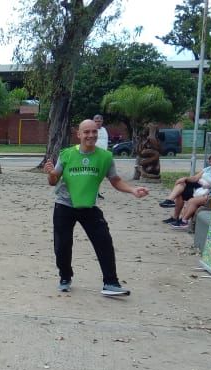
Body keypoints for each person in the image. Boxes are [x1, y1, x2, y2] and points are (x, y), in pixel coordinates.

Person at [44, 119, 149, 296]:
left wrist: (132, 190)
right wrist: (51, 173)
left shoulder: (105, 157)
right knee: (62, 245)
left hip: (89, 206)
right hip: (64, 205)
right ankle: (65, 276)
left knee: (104, 241)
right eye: (86, 132)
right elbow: (53, 181)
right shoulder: (67, 154)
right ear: (79, 135)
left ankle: (111, 283)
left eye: (94, 131)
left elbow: (115, 180)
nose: (90, 135)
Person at [160, 152, 211, 228]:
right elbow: (195, 178)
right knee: (181, 184)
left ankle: (183, 220)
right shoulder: (208, 169)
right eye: (210, 161)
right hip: (197, 187)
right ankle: (170, 202)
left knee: (190, 200)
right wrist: (185, 178)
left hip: (206, 190)